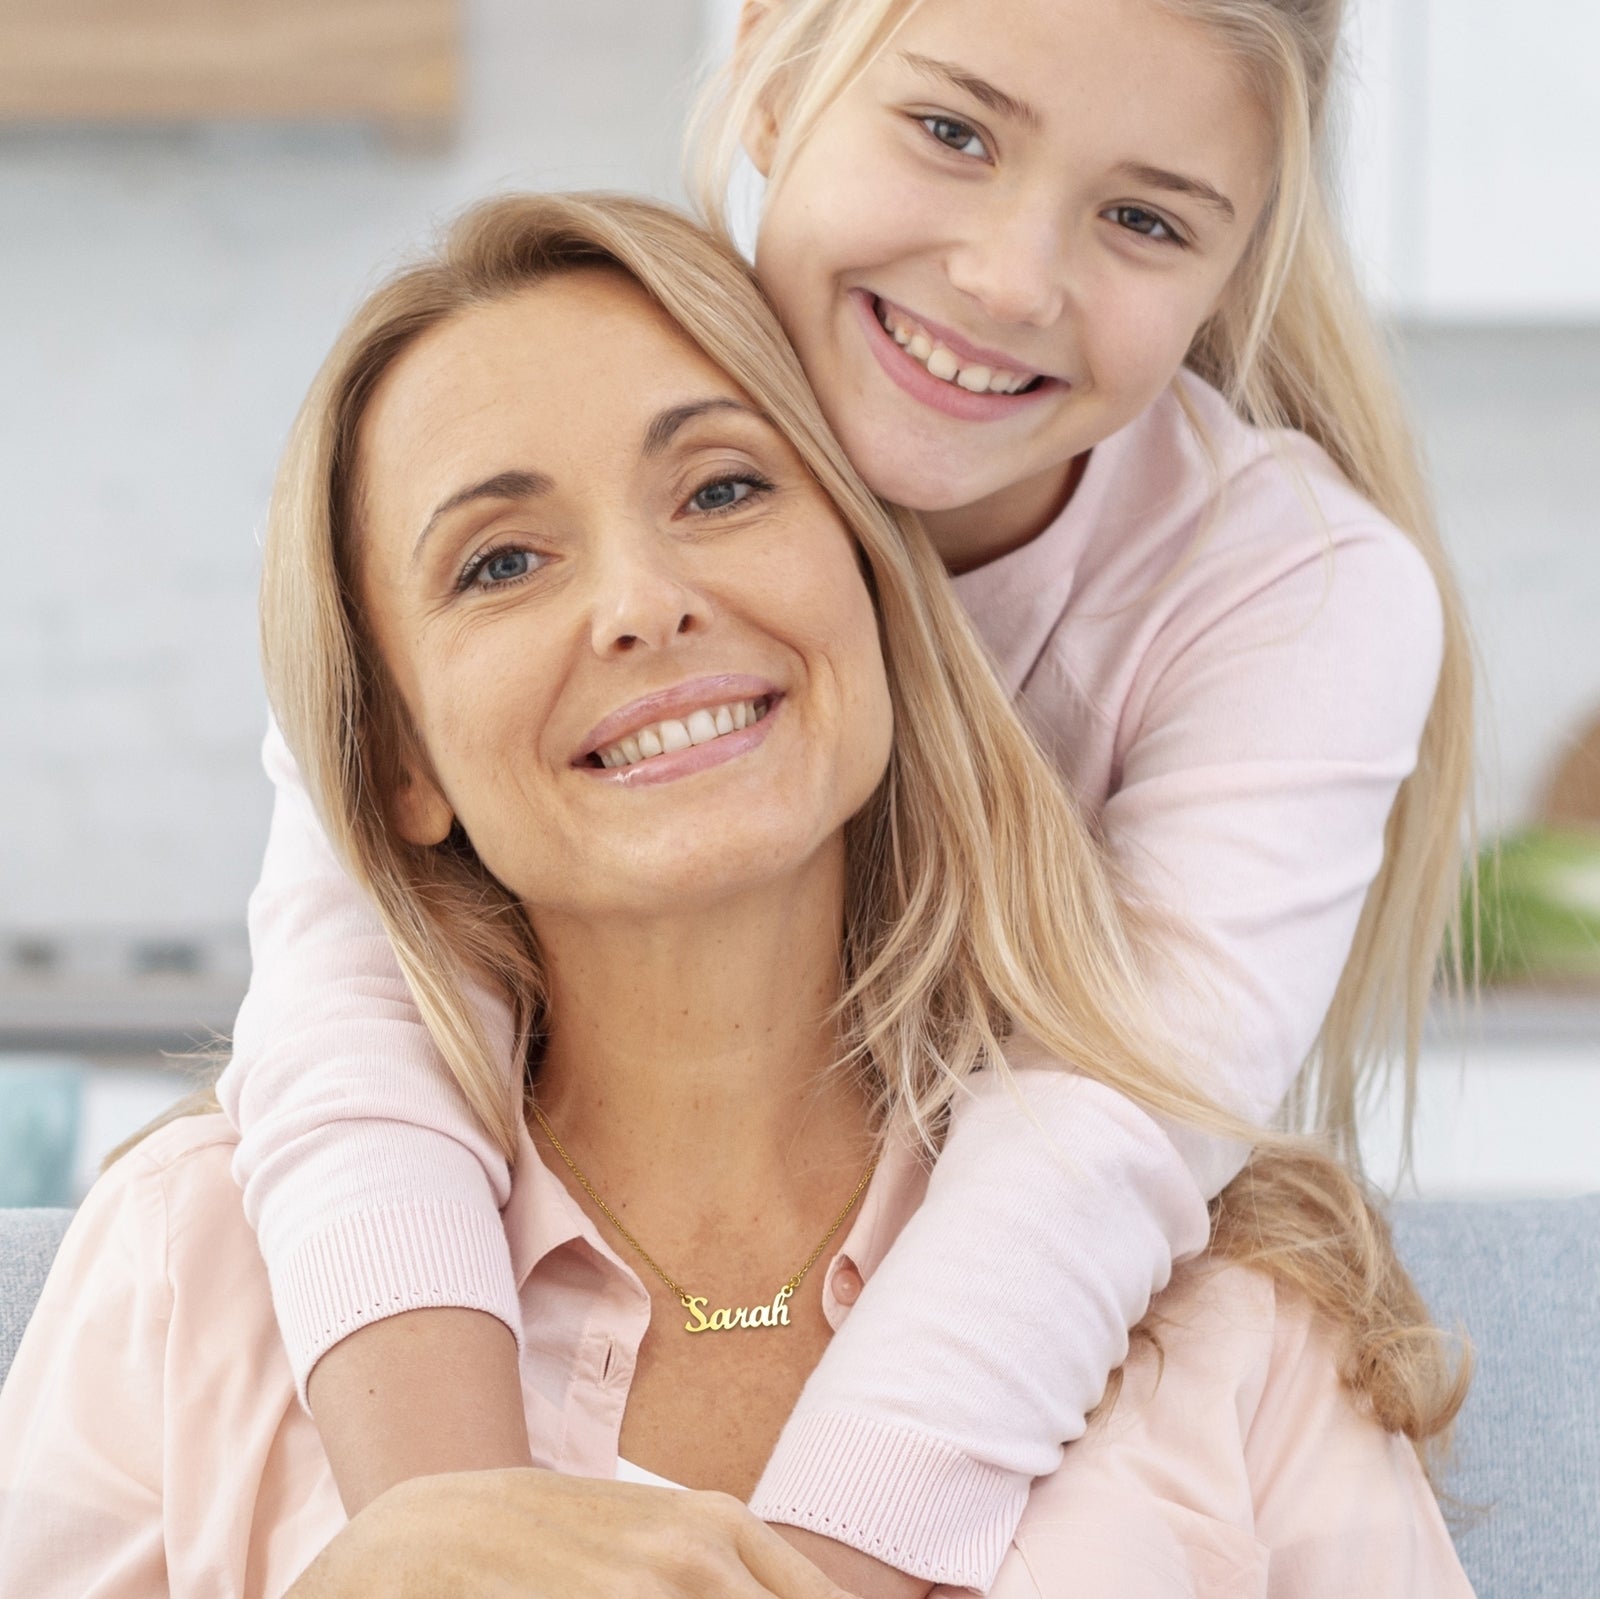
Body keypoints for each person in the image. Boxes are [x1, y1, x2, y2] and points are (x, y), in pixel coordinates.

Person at [0, 191, 1471, 1599]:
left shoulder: (1233, 1315)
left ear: (882, 595)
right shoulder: (186, 1274)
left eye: (723, 486)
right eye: (502, 563)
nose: (640, 600)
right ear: (394, 764)